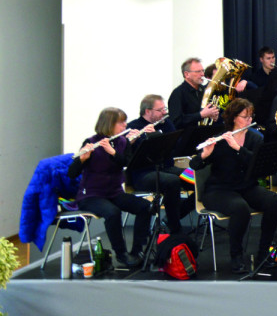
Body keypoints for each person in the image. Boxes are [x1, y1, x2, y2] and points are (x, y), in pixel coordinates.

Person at [191, 99, 277, 274]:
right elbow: (194, 166)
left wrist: (238, 148)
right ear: (233, 118)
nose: (248, 121)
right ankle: (236, 256)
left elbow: (258, 166)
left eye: (250, 117)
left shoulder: (256, 138)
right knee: (240, 208)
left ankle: (264, 253)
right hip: (219, 189)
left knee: (273, 201)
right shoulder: (219, 136)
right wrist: (205, 154)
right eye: (244, 117)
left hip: (246, 186)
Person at [68, 107, 155, 268]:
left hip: (114, 193)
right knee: (113, 213)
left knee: (145, 207)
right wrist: (81, 159)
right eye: (121, 122)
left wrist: (112, 152)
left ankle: (137, 251)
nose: (125, 125)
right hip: (91, 195)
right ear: (109, 124)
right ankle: (121, 254)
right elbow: (72, 173)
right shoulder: (91, 142)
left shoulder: (122, 142)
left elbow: (127, 163)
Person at [126, 94, 194, 234]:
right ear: (147, 111)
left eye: (164, 109)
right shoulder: (133, 127)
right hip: (144, 174)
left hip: (168, 168)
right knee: (172, 182)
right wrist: (142, 138)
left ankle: (173, 217)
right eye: (160, 110)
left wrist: (159, 135)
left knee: (198, 179)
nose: (165, 112)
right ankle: (175, 228)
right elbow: (129, 156)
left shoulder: (166, 123)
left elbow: (176, 146)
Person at [168, 57, 218, 129]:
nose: (202, 74)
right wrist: (200, 115)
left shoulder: (203, 90)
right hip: (187, 137)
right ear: (187, 74)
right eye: (198, 71)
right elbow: (176, 121)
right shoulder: (178, 93)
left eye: (202, 71)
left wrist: (212, 114)